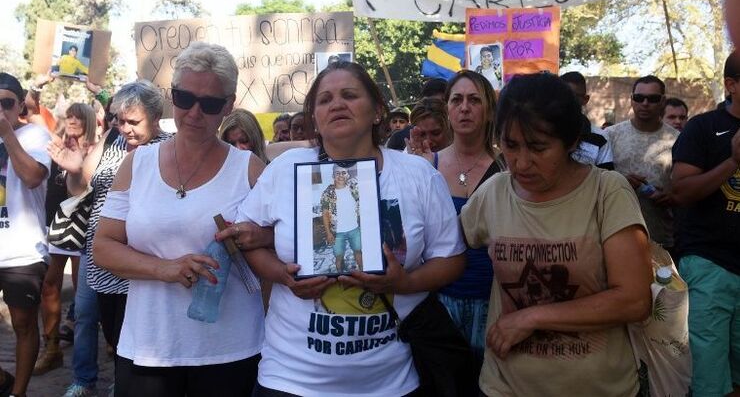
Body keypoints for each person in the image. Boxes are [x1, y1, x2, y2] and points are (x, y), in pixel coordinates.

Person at [228, 60, 465, 396]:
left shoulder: (418, 175)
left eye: (349, 95)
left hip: (391, 382)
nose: (336, 104)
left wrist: (406, 282)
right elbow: (249, 239)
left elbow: (451, 259)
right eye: (324, 100)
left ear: (378, 110)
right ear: (315, 118)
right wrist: (282, 274)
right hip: (290, 378)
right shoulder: (285, 170)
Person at [461, 72, 652, 396]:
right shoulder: (493, 193)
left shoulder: (606, 192)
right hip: (505, 387)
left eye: (538, 147)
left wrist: (532, 317)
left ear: (572, 141)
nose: (521, 163)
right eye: (510, 145)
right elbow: (447, 251)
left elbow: (634, 300)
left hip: (599, 389)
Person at [93, 42, 266, 396]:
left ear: (229, 106)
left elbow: (282, 244)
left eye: (210, 104)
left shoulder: (249, 170)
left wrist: (259, 237)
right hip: (148, 345)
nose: (194, 113)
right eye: (184, 98)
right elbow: (103, 247)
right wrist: (165, 268)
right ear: (172, 95)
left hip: (228, 348)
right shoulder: (137, 164)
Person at [51, 81, 170, 397]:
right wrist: (74, 171)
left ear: (155, 117)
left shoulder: (169, 146)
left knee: (135, 326)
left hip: (142, 253)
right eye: (120, 119)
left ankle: (127, 380)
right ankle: (86, 379)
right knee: (93, 316)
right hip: (99, 250)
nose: (125, 128)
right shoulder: (113, 140)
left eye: (134, 122)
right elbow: (81, 189)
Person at [407, 70, 503, 391]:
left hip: (494, 300)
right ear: (447, 108)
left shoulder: (508, 168)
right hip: (438, 302)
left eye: (474, 100)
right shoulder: (425, 165)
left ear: (488, 109)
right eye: (457, 100)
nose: (465, 108)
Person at [671, 51, 740, 396]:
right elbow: (681, 191)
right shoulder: (703, 128)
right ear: (731, 85)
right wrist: (733, 161)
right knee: (710, 381)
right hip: (711, 264)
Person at [34, 103, 97, 376]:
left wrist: (79, 163)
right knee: (49, 285)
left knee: (84, 301)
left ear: (88, 121)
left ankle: (89, 363)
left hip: (86, 226)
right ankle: (52, 348)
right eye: (69, 116)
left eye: (78, 116)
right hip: (59, 224)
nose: (72, 120)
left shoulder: (97, 149)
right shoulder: (55, 144)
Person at [0, 73, 52, 397]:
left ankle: (18, 392)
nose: (0, 109)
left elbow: (33, 177)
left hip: (22, 251)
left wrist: (6, 134)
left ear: (20, 105)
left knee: (22, 325)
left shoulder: (35, 134)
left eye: (6, 103)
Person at [605, 75, 679, 252]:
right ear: (632, 100)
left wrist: (673, 195)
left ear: (662, 101)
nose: (645, 103)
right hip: (615, 233)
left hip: (660, 235)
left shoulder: (678, 139)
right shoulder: (610, 135)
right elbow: (595, 179)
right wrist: (621, 182)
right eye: (639, 98)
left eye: (652, 99)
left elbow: (686, 185)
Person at [560, 71, 614, 170]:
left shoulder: (600, 137)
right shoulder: (542, 132)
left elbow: (605, 179)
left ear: (585, 99)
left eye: (575, 97)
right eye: (563, 95)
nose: (568, 101)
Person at [321, 163, 362, 273]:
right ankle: (340, 277)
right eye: (337, 173)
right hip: (337, 232)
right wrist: (328, 233)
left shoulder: (354, 188)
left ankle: (363, 273)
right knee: (339, 257)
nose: (341, 175)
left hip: (354, 229)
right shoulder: (327, 193)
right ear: (333, 175)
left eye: (344, 172)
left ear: (347, 174)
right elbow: (325, 214)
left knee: (358, 252)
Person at [386, 78, 447, 150]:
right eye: (422, 134)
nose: (428, 141)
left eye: (435, 133)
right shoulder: (398, 139)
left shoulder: (461, 138)